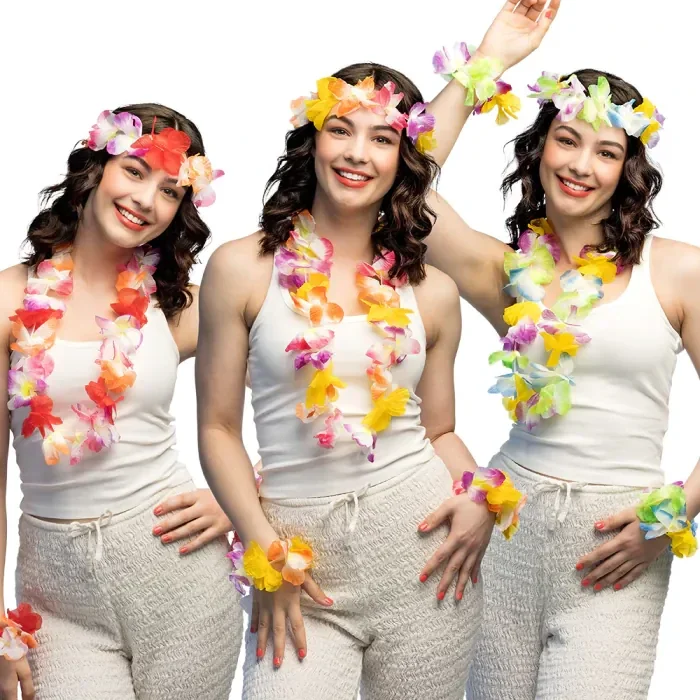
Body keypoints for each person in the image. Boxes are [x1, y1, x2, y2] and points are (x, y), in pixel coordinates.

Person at [195, 62, 528, 700]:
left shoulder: (432, 291)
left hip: (423, 560)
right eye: (341, 130)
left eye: (382, 138)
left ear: (404, 157)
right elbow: (216, 428)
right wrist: (267, 555)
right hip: (298, 561)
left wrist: (480, 495)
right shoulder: (242, 269)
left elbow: (440, 431)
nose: (356, 153)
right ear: (312, 139)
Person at [422, 1, 699, 697]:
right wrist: (491, 58)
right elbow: (401, 183)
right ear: (538, 149)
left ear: (629, 169)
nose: (580, 165)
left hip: (617, 541)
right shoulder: (502, 270)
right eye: (566, 140)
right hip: (508, 529)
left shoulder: (678, 271)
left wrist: (673, 515)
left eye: (606, 151)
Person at [0, 104, 241, 700]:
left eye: (170, 191)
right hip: (56, 594)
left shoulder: (180, 308)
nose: (146, 200)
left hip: (176, 572)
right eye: (134, 171)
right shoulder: (10, 299)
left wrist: (245, 494)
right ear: (95, 169)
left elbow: (319, 376)